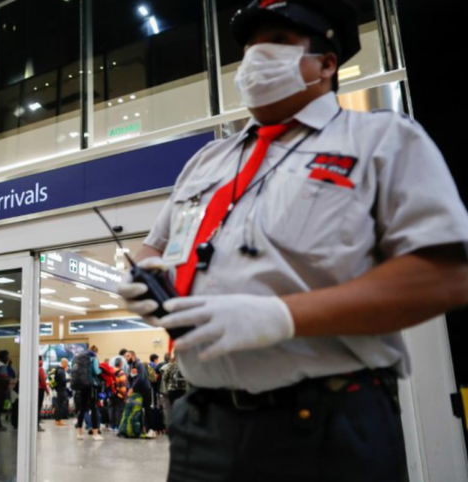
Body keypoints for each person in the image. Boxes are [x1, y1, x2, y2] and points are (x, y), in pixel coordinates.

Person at [118, 0, 468, 480]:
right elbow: (155, 249)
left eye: (278, 42)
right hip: (201, 423)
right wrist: (144, 280)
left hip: (326, 424)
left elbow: (445, 274)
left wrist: (279, 316)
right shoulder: (207, 161)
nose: (255, 57)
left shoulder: (382, 138)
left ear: (326, 63)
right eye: (250, 46)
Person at [72, 345, 104, 441]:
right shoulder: (93, 358)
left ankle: (79, 433)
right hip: (91, 385)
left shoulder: (80, 359)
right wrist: (102, 370)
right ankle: (95, 434)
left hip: (82, 385)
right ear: (95, 351)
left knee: (82, 409)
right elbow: (97, 371)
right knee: (93, 408)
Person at [124, 351, 155, 439]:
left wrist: (132, 388)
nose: (126, 358)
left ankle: (151, 430)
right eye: (125, 356)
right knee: (139, 410)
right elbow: (131, 378)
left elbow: (141, 378)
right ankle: (141, 429)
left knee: (147, 409)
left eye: (128, 356)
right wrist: (129, 388)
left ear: (133, 356)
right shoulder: (131, 366)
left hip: (145, 390)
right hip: (138, 391)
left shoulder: (139, 364)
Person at [110, 357, 128, 432]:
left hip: (111, 393)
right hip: (119, 395)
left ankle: (112, 425)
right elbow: (123, 386)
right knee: (119, 410)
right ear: (121, 364)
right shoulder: (121, 373)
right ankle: (118, 426)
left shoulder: (110, 371)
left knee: (112, 409)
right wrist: (124, 396)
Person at [53, 358, 70, 426]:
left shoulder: (58, 370)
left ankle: (57, 420)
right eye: (67, 363)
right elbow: (63, 381)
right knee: (60, 406)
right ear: (64, 363)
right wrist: (69, 379)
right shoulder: (61, 371)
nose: (67, 365)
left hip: (59, 390)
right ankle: (59, 420)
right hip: (61, 390)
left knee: (58, 405)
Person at [38, 356, 51, 432]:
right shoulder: (40, 369)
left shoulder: (35, 368)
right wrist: (47, 390)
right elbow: (43, 381)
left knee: (37, 407)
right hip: (40, 390)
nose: (42, 361)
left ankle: (37, 421)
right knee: (38, 407)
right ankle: (37, 424)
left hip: (37, 390)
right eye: (41, 360)